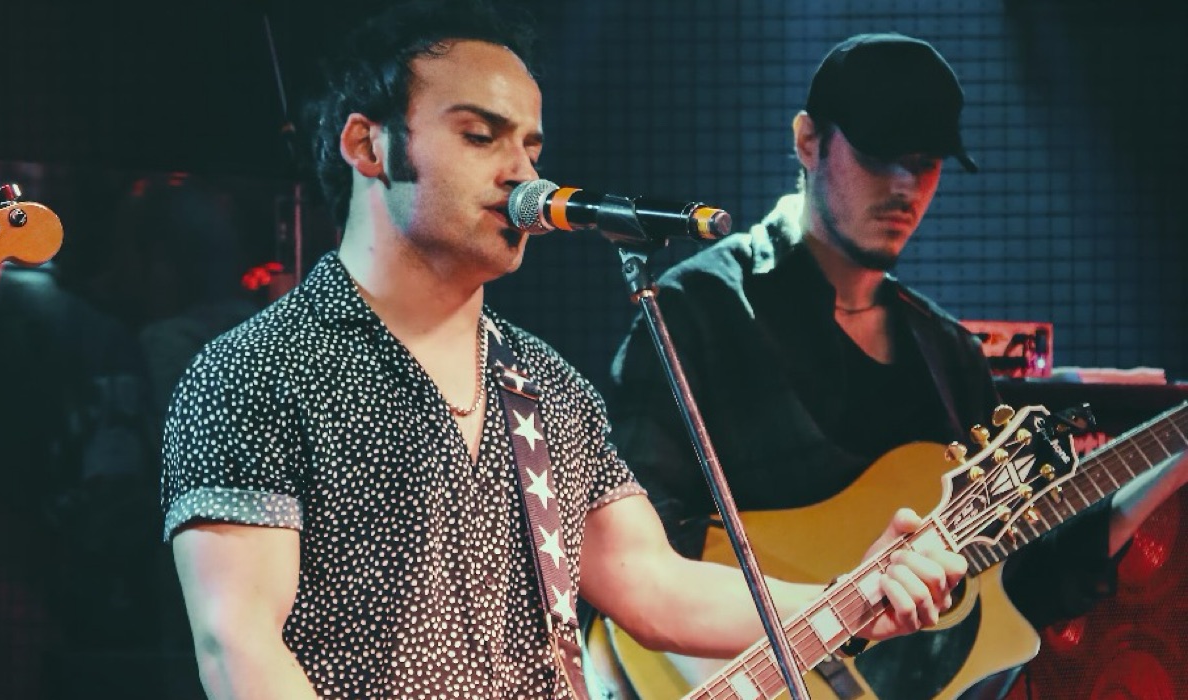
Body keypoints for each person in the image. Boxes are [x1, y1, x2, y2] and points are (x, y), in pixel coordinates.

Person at [160, 6, 966, 699]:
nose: (523, 176)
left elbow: (657, 587)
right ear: (369, 147)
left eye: (532, 148)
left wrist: (854, 597)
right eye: (480, 136)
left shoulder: (545, 386)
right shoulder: (258, 371)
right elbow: (238, 646)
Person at [609, 32, 1188, 698]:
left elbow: (1020, 579)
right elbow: (632, 560)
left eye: (925, 162)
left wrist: (1172, 463)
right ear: (807, 141)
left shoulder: (949, 355)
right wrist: (833, 614)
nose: (905, 186)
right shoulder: (695, 310)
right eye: (879, 156)